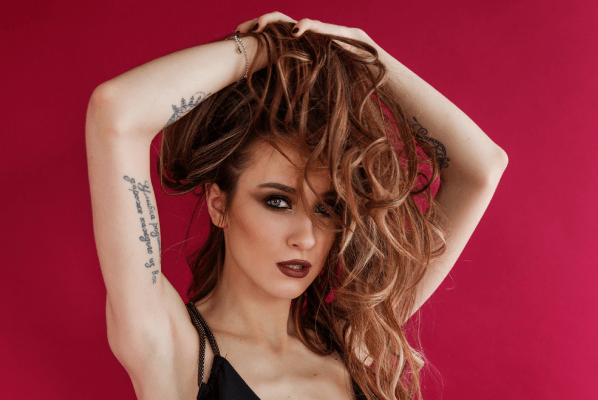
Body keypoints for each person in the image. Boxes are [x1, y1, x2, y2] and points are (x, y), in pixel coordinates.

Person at [85, 11, 508, 400]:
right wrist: (271, 48)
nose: (306, 237)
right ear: (219, 204)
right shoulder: (170, 346)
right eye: (278, 201)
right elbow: (116, 112)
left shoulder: (353, 342)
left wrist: (365, 54)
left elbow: (483, 167)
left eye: (326, 209)